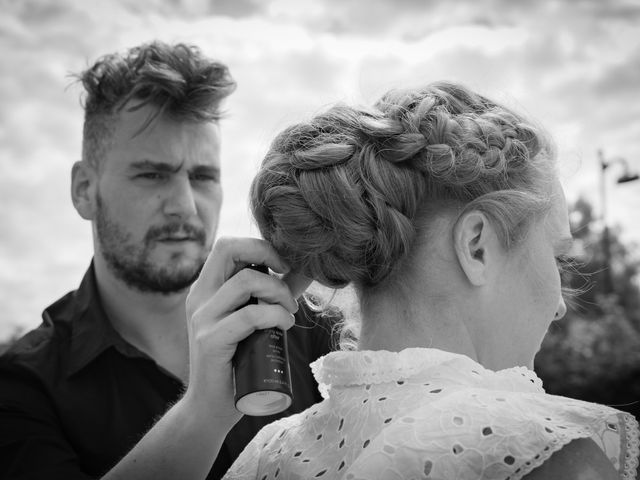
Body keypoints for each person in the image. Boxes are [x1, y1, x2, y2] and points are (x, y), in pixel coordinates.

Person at [221, 81, 640, 479]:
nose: (561, 303)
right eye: (556, 256)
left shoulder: (266, 456)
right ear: (477, 246)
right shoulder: (532, 449)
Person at [0, 41, 336, 480]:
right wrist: (204, 411)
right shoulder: (21, 387)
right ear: (84, 189)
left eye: (202, 177)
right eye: (152, 174)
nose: (184, 206)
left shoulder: (302, 322)